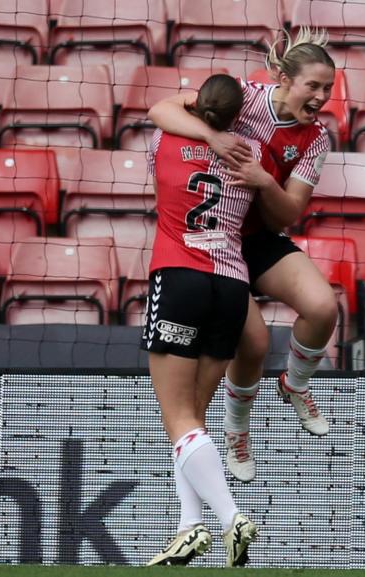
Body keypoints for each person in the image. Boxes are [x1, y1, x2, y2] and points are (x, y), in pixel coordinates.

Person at [148, 28, 339, 483]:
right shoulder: (246, 96)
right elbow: (160, 109)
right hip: (215, 238)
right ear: (285, 79)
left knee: (323, 307)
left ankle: (294, 383)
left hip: (257, 235)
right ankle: (237, 431)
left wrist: (263, 180)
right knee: (252, 343)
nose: (322, 96)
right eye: (314, 85)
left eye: (328, 89)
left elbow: (286, 215)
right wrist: (211, 139)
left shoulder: (315, 139)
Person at [143, 74, 281, 567]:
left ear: (198, 107)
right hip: (231, 289)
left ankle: (229, 518)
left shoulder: (166, 138)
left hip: (179, 277)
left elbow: (160, 105)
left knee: (176, 417)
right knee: (194, 420)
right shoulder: (252, 152)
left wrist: (201, 125)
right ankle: (188, 525)